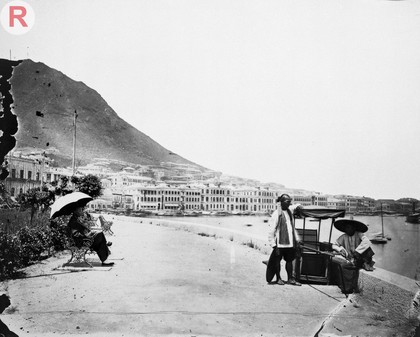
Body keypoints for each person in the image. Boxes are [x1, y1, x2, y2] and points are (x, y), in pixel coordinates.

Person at [331, 219, 375, 294]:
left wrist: (357, 251)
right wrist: (340, 249)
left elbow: (367, 242)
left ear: (354, 228)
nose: (347, 230)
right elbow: (334, 245)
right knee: (342, 265)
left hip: (361, 258)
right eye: (346, 228)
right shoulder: (344, 237)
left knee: (345, 265)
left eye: (349, 228)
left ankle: (348, 288)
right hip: (352, 259)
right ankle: (347, 288)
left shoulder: (359, 234)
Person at [267, 194, 302, 286]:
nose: (289, 203)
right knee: (277, 260)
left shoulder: (290, 211)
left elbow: (292, 228)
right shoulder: (276, 213)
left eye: (290, 201)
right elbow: (271, 230)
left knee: (289, 260)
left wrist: (297, 240)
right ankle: (278, 278)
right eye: (287, 202)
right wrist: (273, 244)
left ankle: (290, 278)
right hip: (280, 243)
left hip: (290, 243)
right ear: (281, 202)